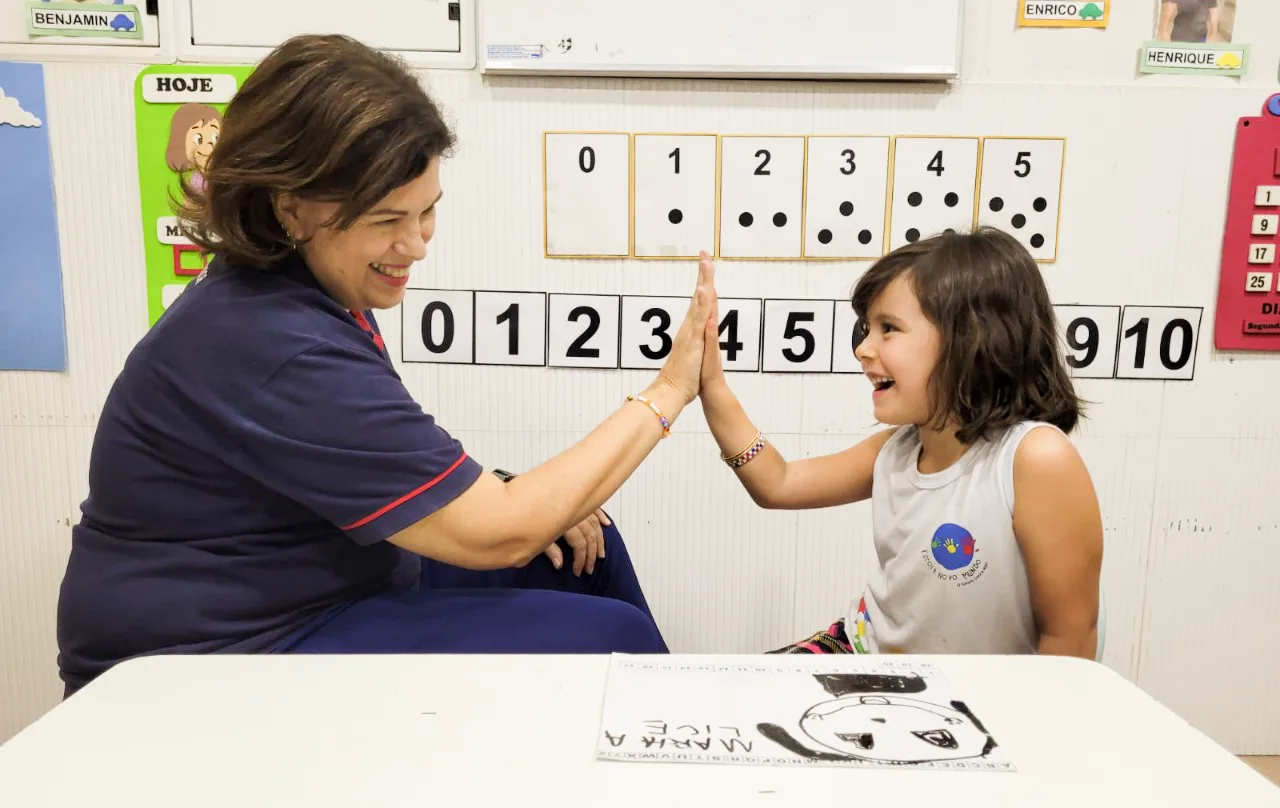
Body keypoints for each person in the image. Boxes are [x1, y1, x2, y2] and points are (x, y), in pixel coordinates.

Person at [55, 34, 717, 695]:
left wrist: (534, 501)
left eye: (427, 211)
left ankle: (654, 746)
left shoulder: (311, 282)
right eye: (386, 220)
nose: (415, 245)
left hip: (317, 582)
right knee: (611, 639)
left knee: (587, 550)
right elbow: (498, 534)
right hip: (212, 653)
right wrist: (668, 390)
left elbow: (379, 463)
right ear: (291, 207)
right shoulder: (274, 342)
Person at [698, 227, 1103, 659]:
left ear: (972, 338)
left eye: (888, 328)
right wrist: (712, 386)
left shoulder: (1035, 459)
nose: (863, 349)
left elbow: (1069, 638)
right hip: (864, 654)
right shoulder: (896, 450)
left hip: (973, 698)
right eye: (866, 329)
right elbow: (777, 483)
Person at [1157, 0, 1221, 43]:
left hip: (1201, 37)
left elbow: (1214, 15)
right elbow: (1166, 16)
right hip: (1179, 40)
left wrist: (1212, 36)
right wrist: (1164, 33)